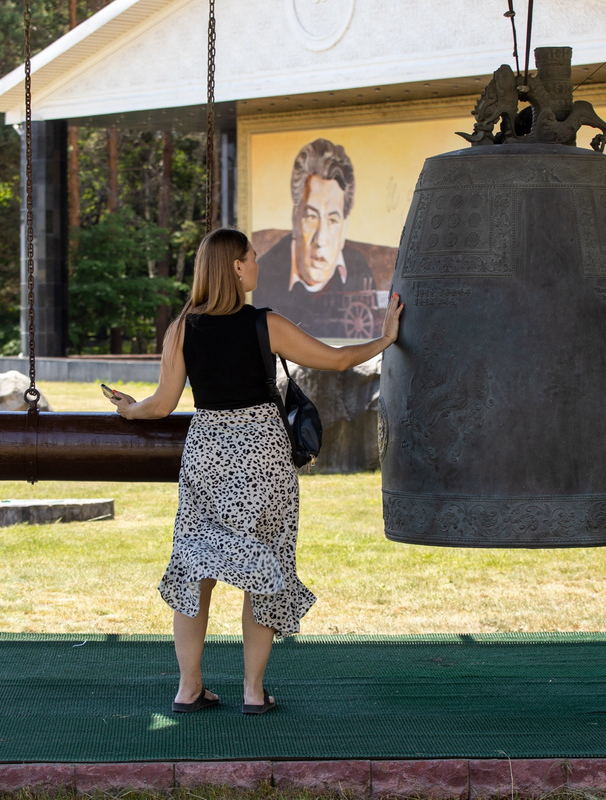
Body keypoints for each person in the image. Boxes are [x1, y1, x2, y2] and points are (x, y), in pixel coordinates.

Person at [107, 227, 403, 715]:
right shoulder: (265, 324)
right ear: (236, 267)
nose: (259, 265)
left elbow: (161, 404)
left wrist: (128, 410)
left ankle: (187, 690)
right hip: (263, 457)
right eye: (252, 258)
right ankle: (252, 692)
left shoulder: (182, 328)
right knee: (264, 567)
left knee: (194, 570)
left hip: (207, 455)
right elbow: (336, 359)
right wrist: (387, 337)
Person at [253, 138, 376, 336]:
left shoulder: (360, 268)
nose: (320, 240)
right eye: (311, 217)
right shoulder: (264, 274)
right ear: (295, 218)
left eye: (333, 220)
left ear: (345, 227)